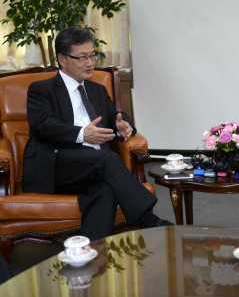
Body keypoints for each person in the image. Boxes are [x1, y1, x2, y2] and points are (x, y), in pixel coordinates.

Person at [22, 27, 171, 241]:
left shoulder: (96, 90)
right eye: (82, 57)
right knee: (107, 159)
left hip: (92, 168)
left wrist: (123, 125)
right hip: (57, 165)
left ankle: (87, 251)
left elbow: (116, 116)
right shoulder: (41, 90)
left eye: (92, 55)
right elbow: (43, 125)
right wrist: (83, 134)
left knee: (104, 190)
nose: (90, 62)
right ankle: (146, 218)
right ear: (62, 59)